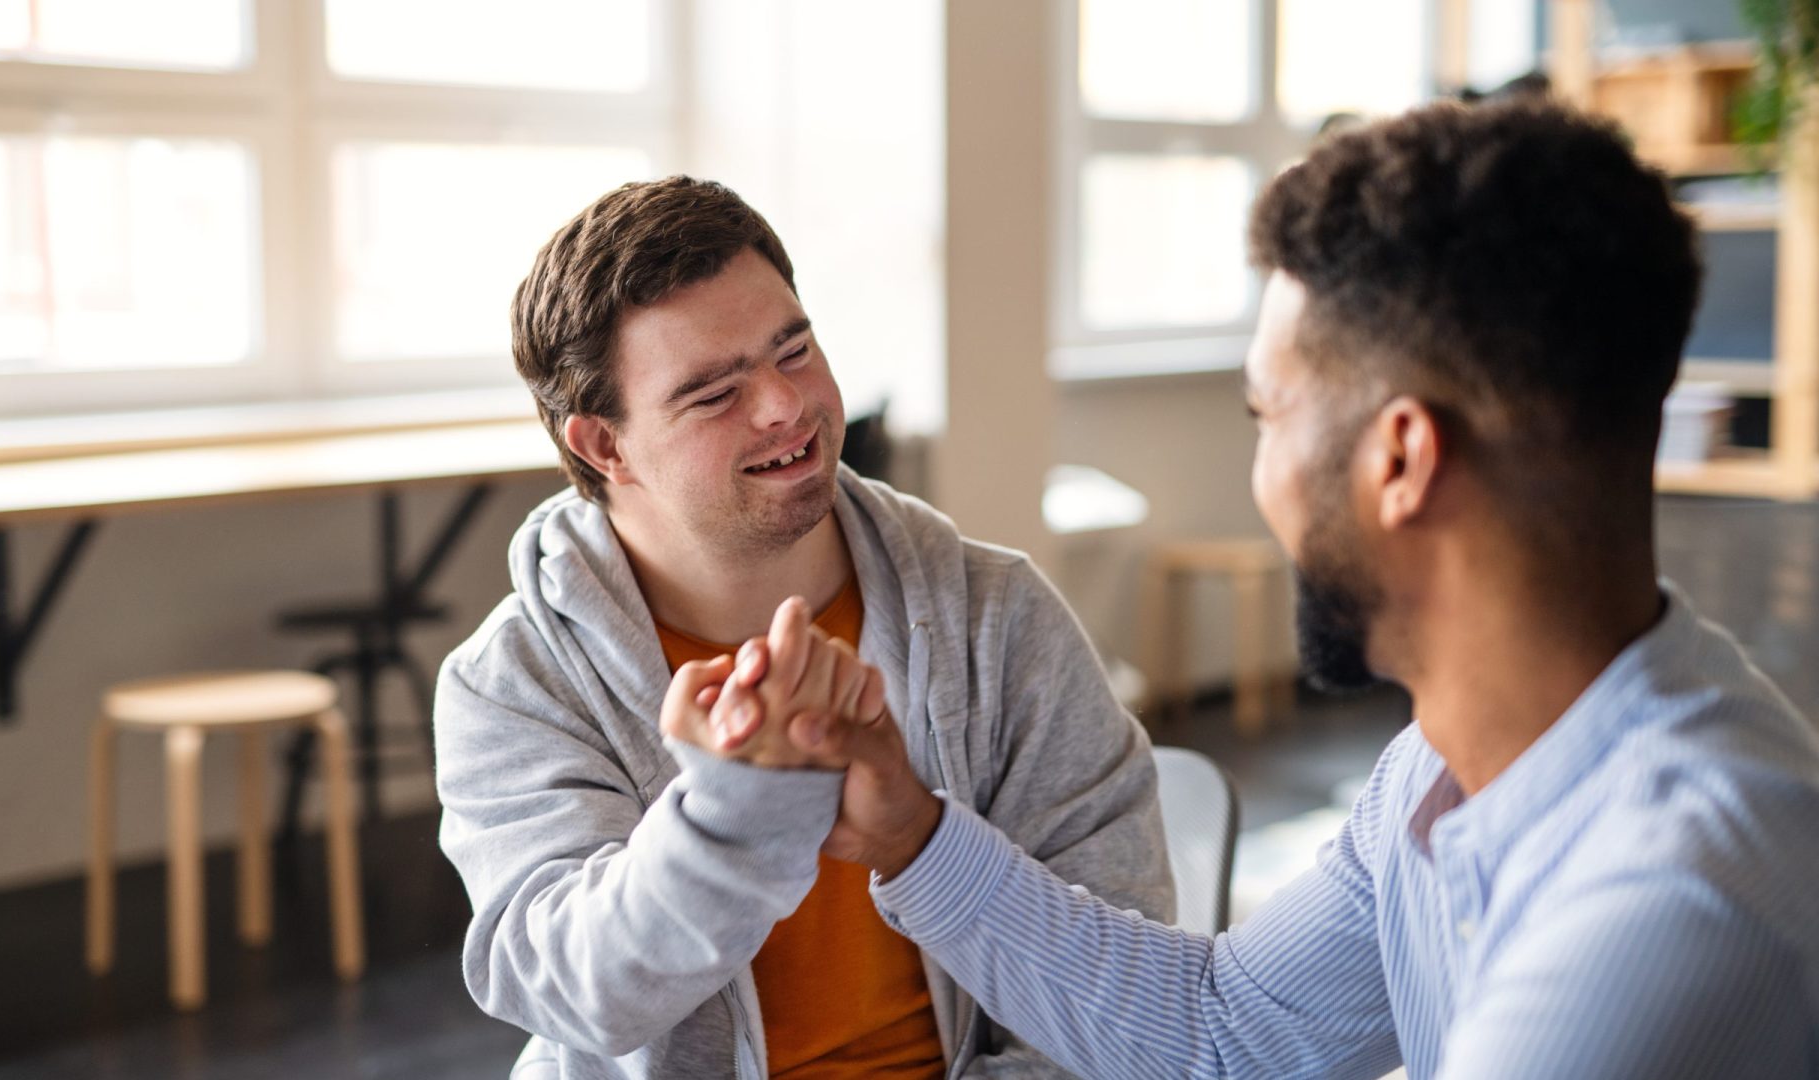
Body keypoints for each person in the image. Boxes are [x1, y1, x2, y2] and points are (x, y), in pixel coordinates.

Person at [684, 101, 1819, 1078]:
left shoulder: (1676, 900)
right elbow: (1228, 1036)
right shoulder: (1449, 763)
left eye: (1266, 418)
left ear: (1399, 461)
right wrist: (912, 831)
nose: (1259, 472)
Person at [433, 175, 1174, 1079]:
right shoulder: (514, 679)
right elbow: (574, 990)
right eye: (712, 393)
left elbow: (1120, 987)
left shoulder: (999, 615)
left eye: (794, 349)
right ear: (604, 445)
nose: (784, 406)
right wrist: (737, 812)